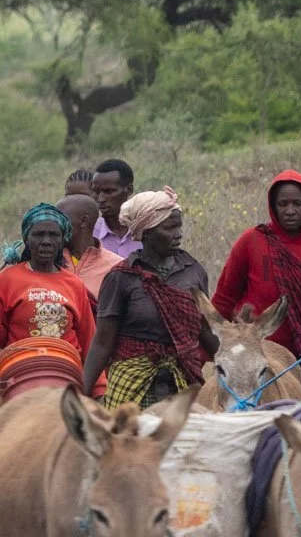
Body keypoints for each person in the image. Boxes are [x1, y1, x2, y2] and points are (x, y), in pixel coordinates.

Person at [81, 187, 219, 408]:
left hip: (182, 381)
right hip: (131, 382)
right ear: (146, 232)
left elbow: (205, 330)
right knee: (124, 439)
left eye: (179, 226)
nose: (179, 234)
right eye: (169, 227)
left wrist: (232, 360)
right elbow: (103, 341)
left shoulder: (193, 272)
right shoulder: (121, 278)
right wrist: (83, 392)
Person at [0, 203, 96, 396]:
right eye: (38, 234)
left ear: (63, 240)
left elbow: (89, 340)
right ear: (27, 239)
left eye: (54, 235)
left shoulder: (74, 284)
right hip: (19, 374)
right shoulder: (7, 278)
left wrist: (97, 390)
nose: (46, 241)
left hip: (66, 375)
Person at [211, 170, 301, 355]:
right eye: (283, 204)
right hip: (259, 354)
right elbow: (224, 299)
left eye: (297, 203)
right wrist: (211, 353)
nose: (290, 211)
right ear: (273, 206)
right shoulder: (252, 240)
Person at [57, 193, 123, 299]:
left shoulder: (116, 267)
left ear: (83, 221)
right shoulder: (49, 262)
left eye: (60, 220)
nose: (54, 226)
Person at [89, 159, 141, 259]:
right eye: (96, 191)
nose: (100, 199)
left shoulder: (145, 231)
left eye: (109, 191)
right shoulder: (90, 233)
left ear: (129, 190)